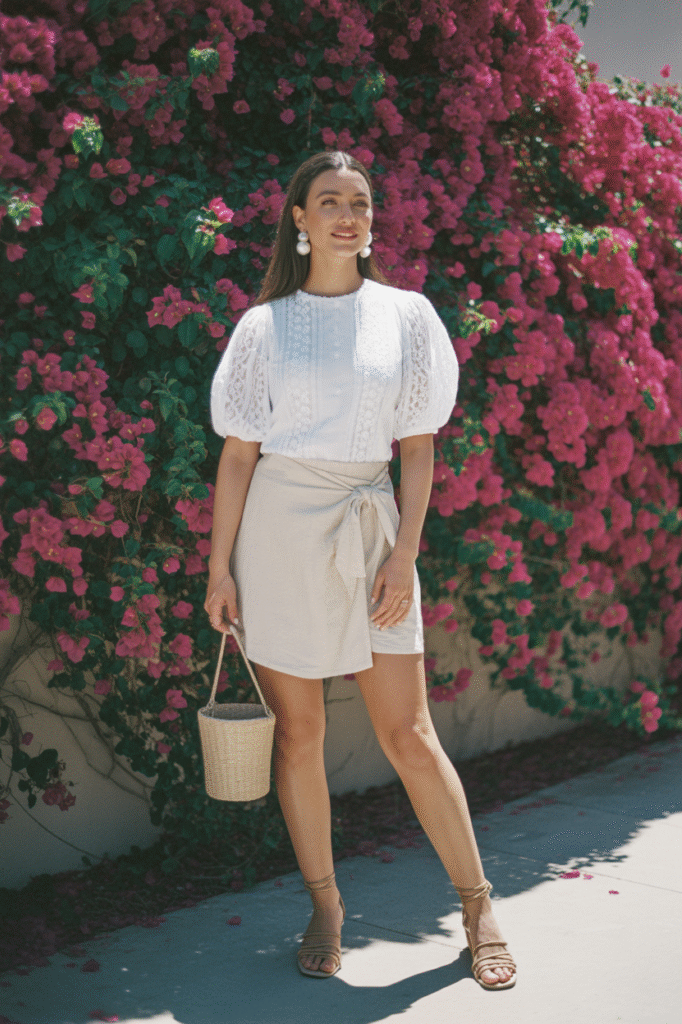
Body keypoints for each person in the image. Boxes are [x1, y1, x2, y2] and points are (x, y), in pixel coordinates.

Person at [203, 150, 516, 990]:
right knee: (299, 735)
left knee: (408, 733)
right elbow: (238, 456)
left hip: (372, 528)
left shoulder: (407, 316)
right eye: (330, 201)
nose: (348, 215)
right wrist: (219, 569)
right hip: (276, 532)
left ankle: (477, 906)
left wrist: (404, 553)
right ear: (299, 220)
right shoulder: (262, 327)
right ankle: (325, 906)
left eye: (361, 203)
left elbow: (417, 447)